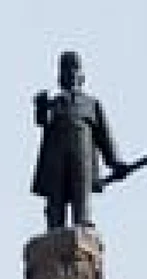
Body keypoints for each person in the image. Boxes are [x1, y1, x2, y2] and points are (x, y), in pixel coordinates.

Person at [32, 51, 127, 229]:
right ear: (60, 77)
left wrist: (115, 162)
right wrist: (40, 106)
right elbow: (42, 122)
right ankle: (54, 223)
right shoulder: (54, 103)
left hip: (82, 151)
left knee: (81, 186)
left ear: (82, 75)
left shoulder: (91, 104)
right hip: (56, 153)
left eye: (74, 69)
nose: (70, 73)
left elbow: (104, 135)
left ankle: (82, 219)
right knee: (56, 191)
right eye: (65, 69)